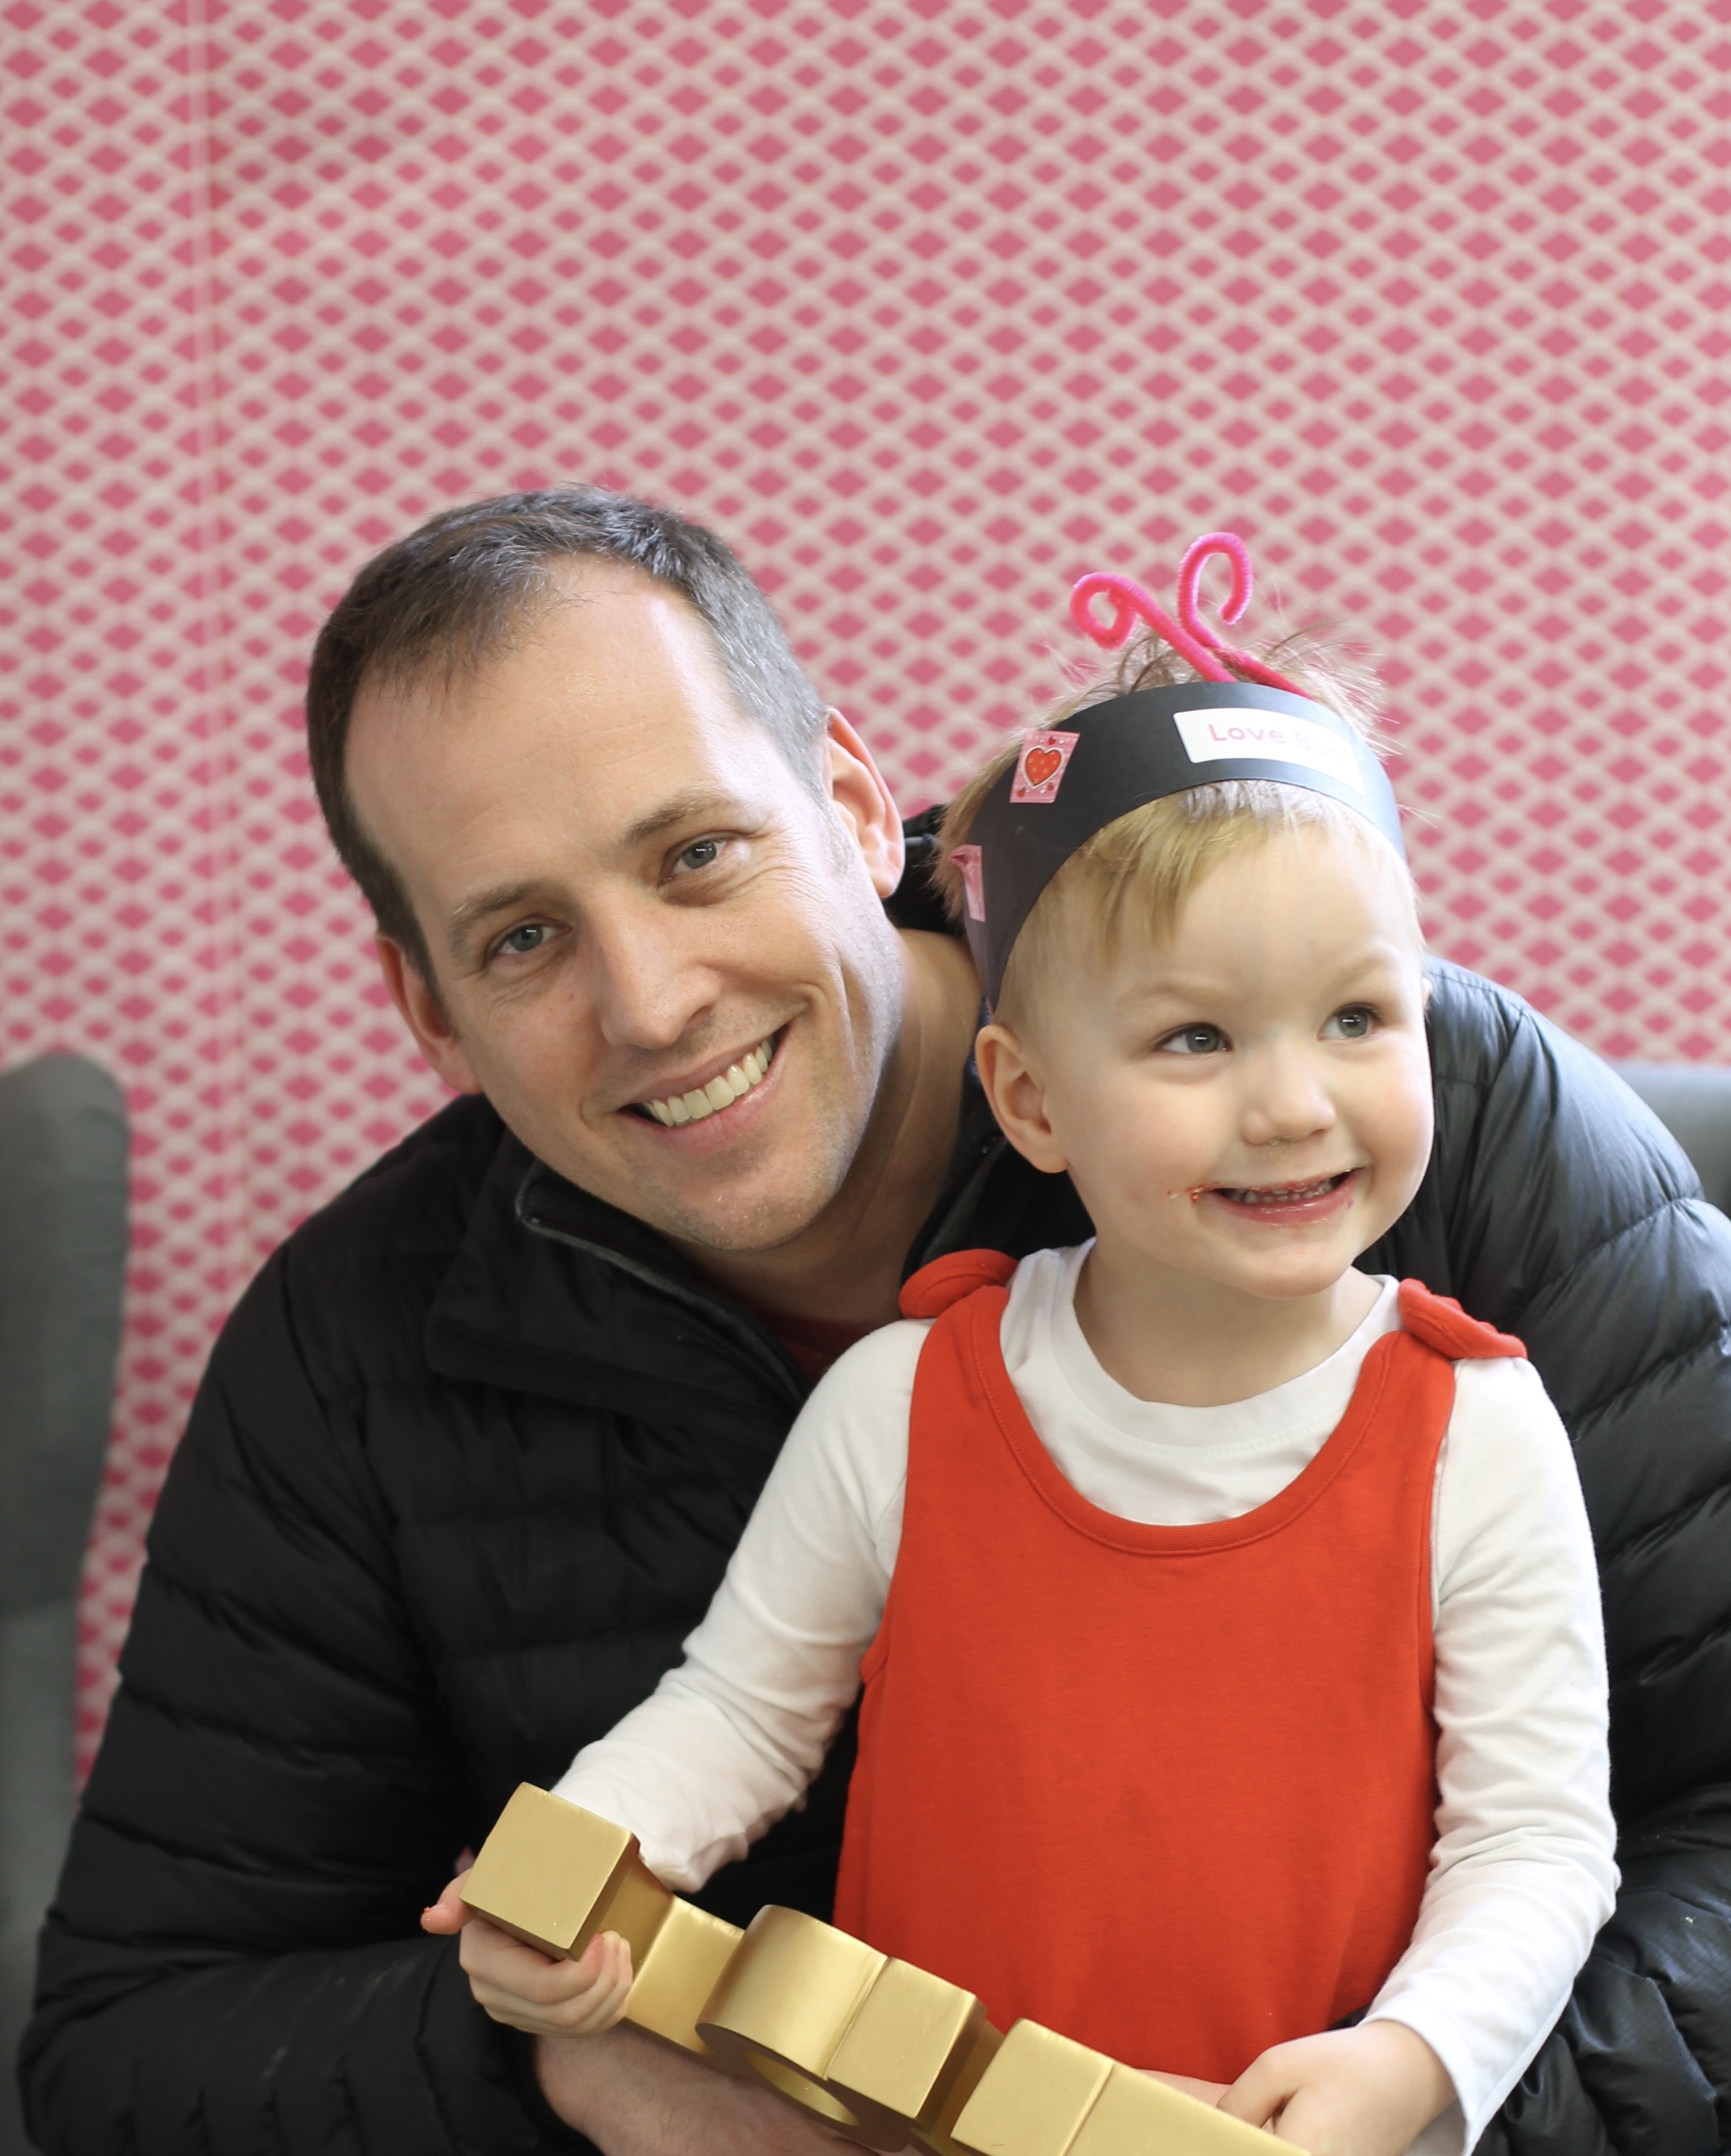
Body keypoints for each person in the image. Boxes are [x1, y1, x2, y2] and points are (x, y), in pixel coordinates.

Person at [17, 489, 1731, 2156]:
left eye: (696, 854)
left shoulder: (1447, 1136)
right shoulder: (357, 1344)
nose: (651, 1004)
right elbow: (128, 2046)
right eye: (523, 937)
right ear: (430, 1010)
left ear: (849, 802)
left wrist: (1422, 2104)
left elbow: (1642, 1838)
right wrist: (560, 2069)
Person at [421, 570, 1617, 2156]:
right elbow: (738, 1715)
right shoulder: (904, 1400)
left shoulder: (1474, 1427)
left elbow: (1534, 1843)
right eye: (1194, 1039)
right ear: (1031, 1101)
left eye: (1354, 1019)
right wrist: (580, 1857)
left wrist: (1411, 2065)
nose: (1292, 1105)